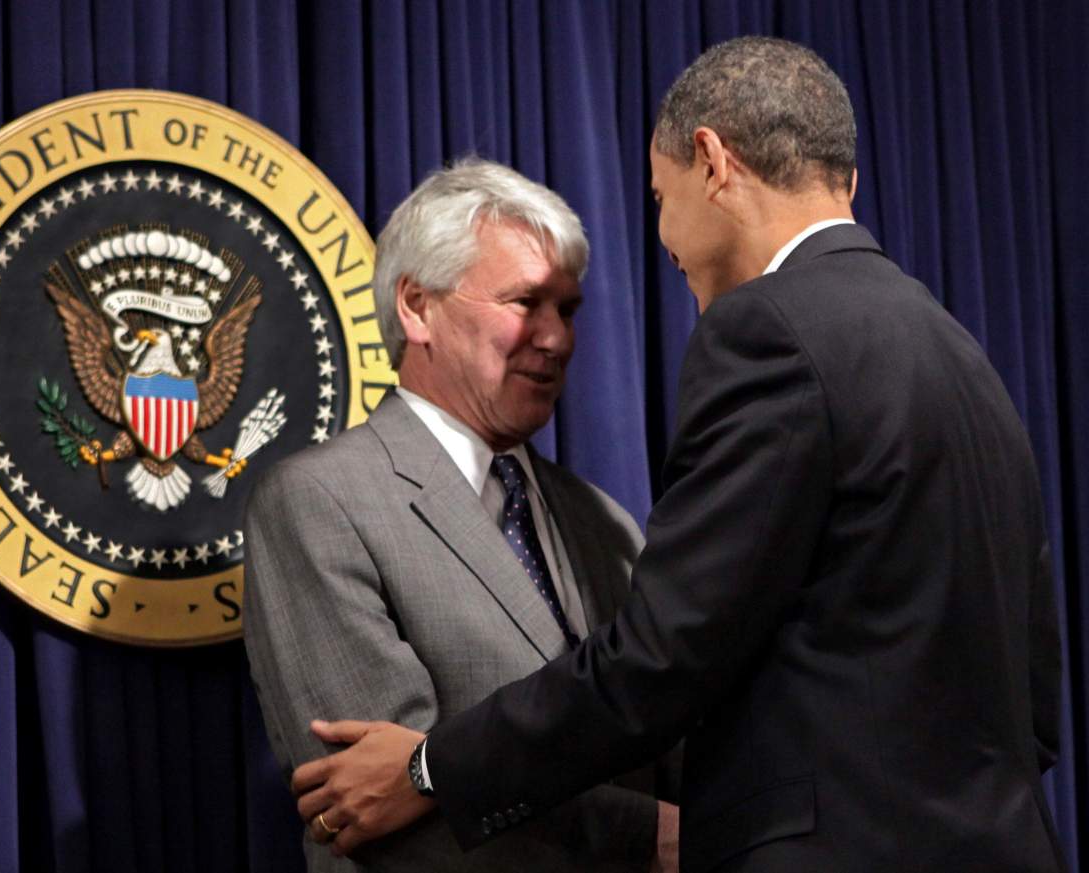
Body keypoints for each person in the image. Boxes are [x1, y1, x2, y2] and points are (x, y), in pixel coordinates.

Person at [290, 36, 1067, 873]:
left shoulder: (769, 329)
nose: (664, 239)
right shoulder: (964, 357)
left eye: (661, 197)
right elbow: (1035, 708)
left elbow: (661, 658)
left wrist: (429, 767)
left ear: (712, 161)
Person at [243, 158, 680, 873]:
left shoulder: (605, 524)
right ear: (417, 307)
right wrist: (657, 838)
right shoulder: (318, 502)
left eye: (567, 310)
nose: (558, 338)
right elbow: (375, 816)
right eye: (525, 303)